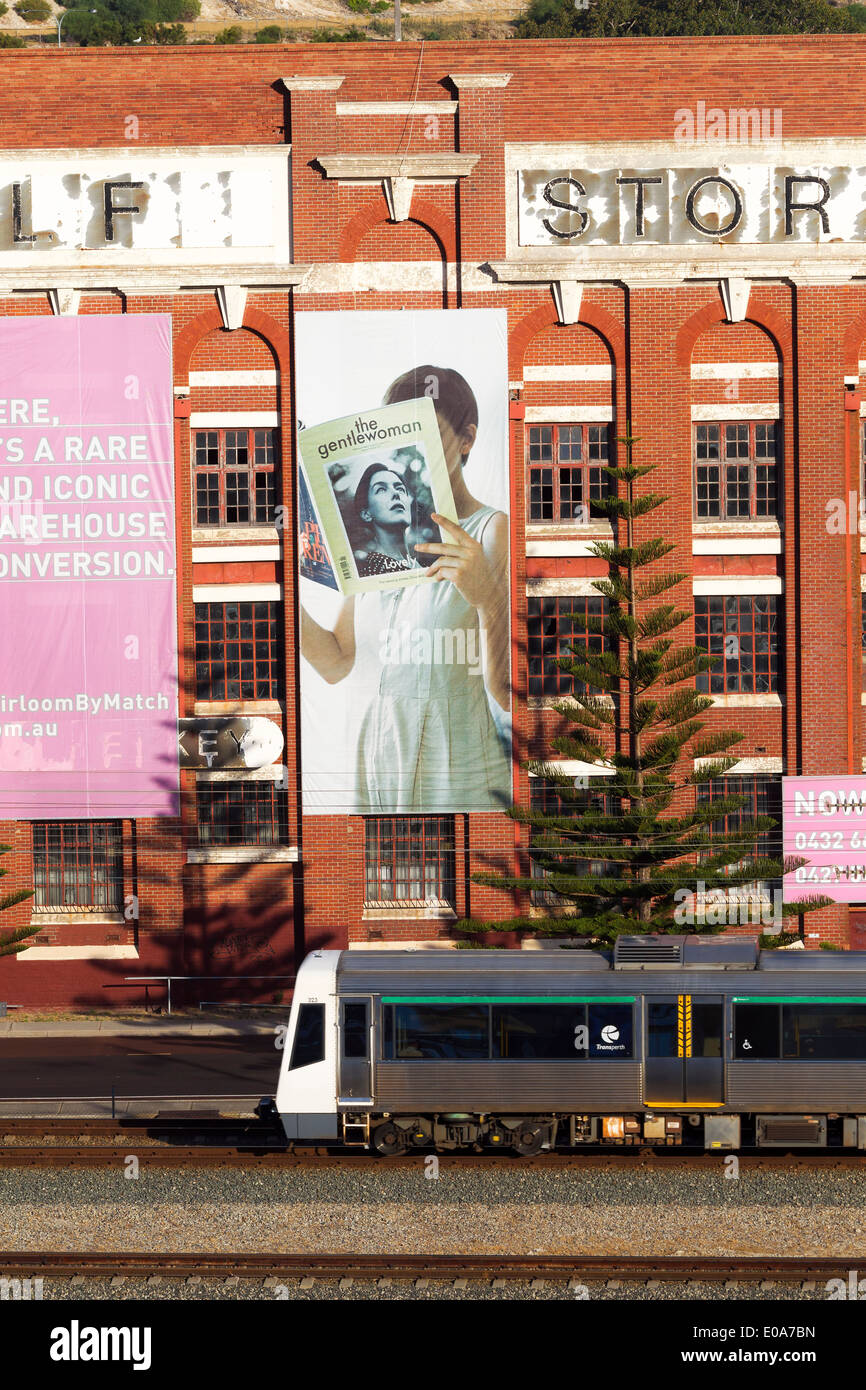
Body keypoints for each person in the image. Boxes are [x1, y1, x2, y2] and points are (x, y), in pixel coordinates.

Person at [300, 365, 511, 813]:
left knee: (456, 872)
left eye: (431, 433)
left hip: (456, 756)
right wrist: (284, 600)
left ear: (467, 439)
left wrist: (490, 601)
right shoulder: (380, 549)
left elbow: (510, 692)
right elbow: (338, 662)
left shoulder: (492, 531)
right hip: (379, 749)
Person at [349, 463, 415, 578]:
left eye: (400, 489)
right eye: (381, 490)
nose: (395, 493)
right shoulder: (369, 572)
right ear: (366, 514)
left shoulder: (423, 565)